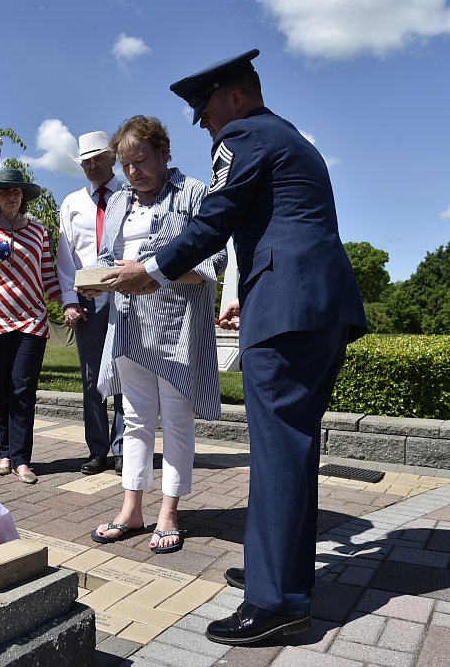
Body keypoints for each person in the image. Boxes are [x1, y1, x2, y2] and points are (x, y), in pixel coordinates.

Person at [103, 50, 367, 644]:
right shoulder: (289, 136)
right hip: (314, 307)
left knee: (276, 453)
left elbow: (215, 217)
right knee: (293, 450)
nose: (203, 124)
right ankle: (283, 577)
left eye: (206, 111)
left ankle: (275, 602)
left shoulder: (246, 133)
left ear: (235, 99)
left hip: (288, 312)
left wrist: (151, 270)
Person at [82, 116, 225, 555]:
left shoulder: (194, 193)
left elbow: (212, 263)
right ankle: (132, 509)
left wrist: (148, 273)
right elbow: (113, 257)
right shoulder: (122, 200)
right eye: (125, 165)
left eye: (140, 161)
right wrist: (102, 278)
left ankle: (169, 513)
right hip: (129, 322)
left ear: (165, 152)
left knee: (177, 421)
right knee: (137, 419)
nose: (132, 173)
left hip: (176, 324)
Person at [0, 167, 62, 486]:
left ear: (22, 196)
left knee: (23, 389)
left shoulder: (39, 231)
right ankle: (4, 453)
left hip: (32, 321)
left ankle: (21, 460)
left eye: (16, 191)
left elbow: (48, 275)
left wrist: (71, 303)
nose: (11, 196)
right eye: (5, 191)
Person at [57, 131, 125, 476]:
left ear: (113, 158)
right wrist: (69, 301)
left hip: (128, 295)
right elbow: (65, 258)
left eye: (99, 158)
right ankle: (98, 450)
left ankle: (125, 450)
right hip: (87, 302)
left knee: (128, 374)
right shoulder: (71, 204)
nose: (93, 166)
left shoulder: (132, 196)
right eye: (86, 162)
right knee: (92, 378)